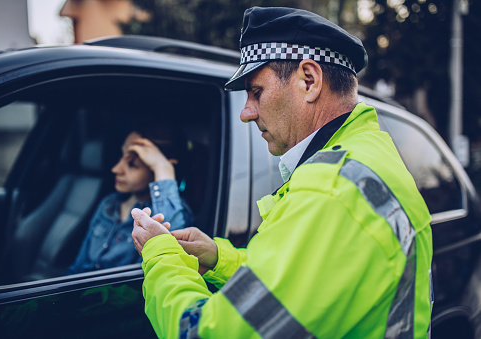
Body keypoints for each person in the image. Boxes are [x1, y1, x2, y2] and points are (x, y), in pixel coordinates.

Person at [131, 7, 433, 339]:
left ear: (309, 80)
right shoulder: (365, 157)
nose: (246, 112)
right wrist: (219, 258)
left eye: (256, 91)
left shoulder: (331, 190)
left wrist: (161, 254)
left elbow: (206, 332)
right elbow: (310, 280)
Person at [66, 127, 193, 275]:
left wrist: (162, 166)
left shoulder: (175, 213)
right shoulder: (109, 204)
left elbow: (169, 256)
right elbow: (78, 266)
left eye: (132, 164)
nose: (116, 169)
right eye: (121, 156)